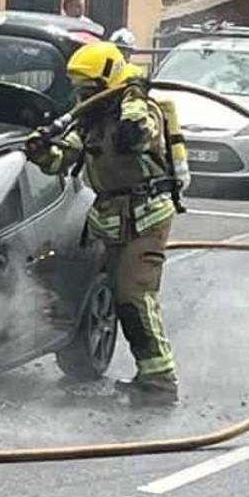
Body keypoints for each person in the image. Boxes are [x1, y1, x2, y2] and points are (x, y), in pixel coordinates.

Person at [24, 42, 183, 406]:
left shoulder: (144, 110)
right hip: (112, 218)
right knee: (118, 296)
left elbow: (136, 137)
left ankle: (160, 382)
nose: (83, 96)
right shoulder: (92, 119)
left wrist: (131, 98)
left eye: (89, 89)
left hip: (147, 216)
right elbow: (62, 160)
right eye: (80, 90)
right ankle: (150, 375)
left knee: (135, 295)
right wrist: (41, 150)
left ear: (107, 82)